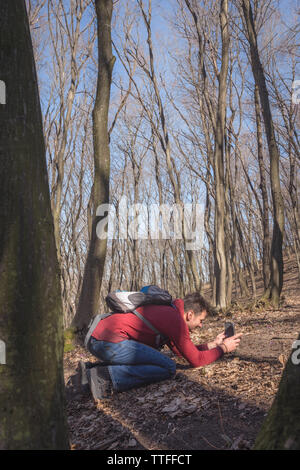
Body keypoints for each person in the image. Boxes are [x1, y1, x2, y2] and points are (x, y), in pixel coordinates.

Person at [83, 292, 242, 400]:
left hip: (98, 339)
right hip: (107, 342)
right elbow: (196, 360)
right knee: (168, 368)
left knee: (160, 361)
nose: (201, 326)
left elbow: (182, 352)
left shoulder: (170, 311)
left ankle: (90, 371)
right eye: (201, 321)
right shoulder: (175, 320)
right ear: (190, 315)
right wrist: (224, 349)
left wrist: (213, 344)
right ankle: (104, 378)